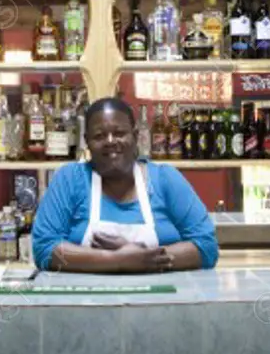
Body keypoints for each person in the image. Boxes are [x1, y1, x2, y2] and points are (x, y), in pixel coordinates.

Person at [32, 97, 219, 272]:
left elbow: (206, 247)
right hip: (87, 302)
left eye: (119, 133)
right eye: (99, 136)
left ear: (136, 136)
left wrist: (146, 258)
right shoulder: (70, 179)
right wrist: (118, 260)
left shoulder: (165, 179)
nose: (111, 142)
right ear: (87, 142)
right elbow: (45, 248)